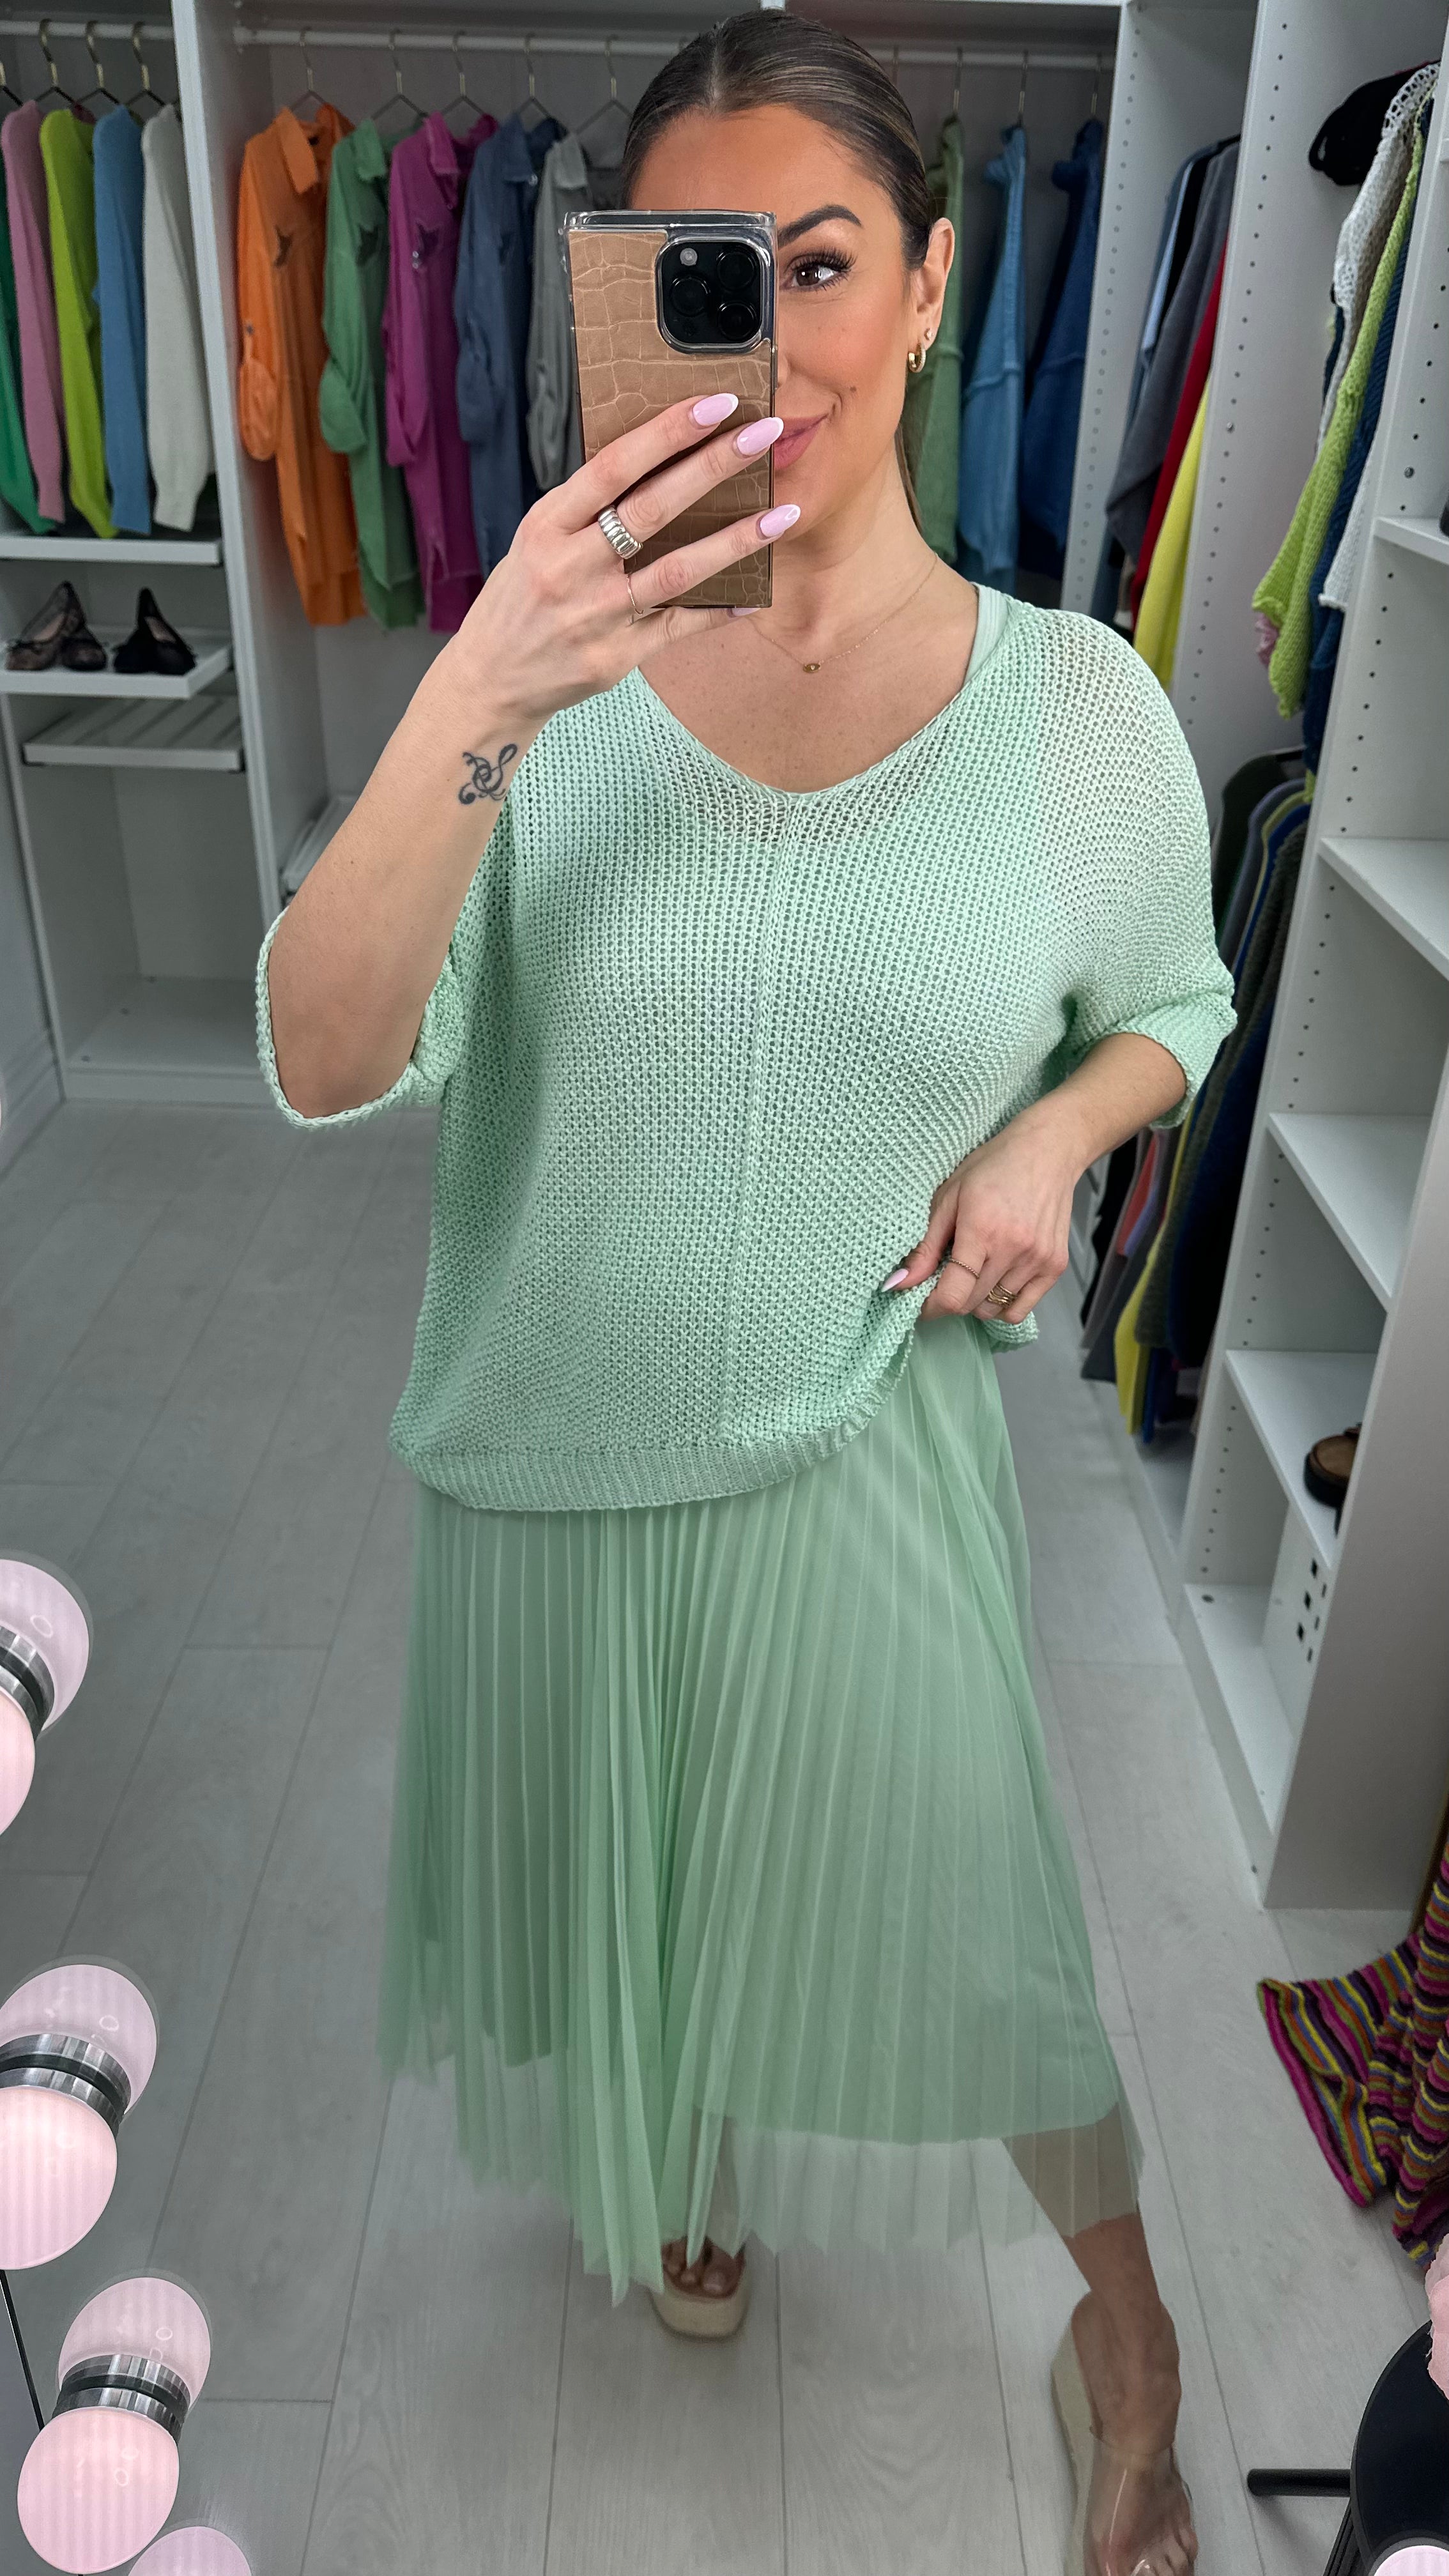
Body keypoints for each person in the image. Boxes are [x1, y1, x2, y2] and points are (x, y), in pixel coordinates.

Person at [257, 17, 1234, 2570]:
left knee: (979, 1921)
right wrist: (489, 676)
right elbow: (326, 1054)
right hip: (546, 1450)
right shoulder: (536, 697)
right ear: (617, 302)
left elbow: (1178, 998)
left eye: (818, 262)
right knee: (637, 1887)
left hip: (860, 1435)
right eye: (702, 271)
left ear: (930, 288)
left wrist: (1050, 1134)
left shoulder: (1075, 712)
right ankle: (680, 2163)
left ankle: (1129, 2329)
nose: (771, 332)